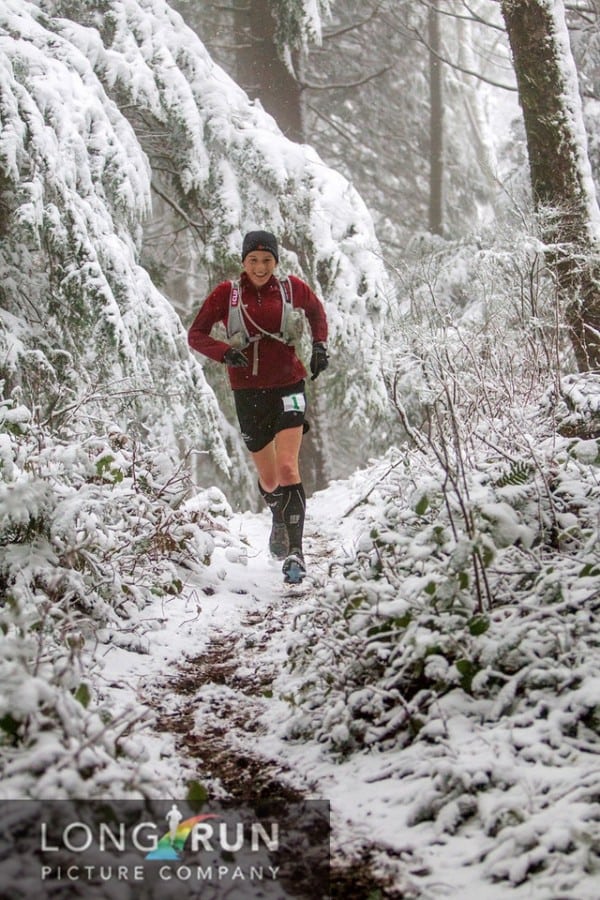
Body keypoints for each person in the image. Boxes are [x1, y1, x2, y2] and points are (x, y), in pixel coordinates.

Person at [188, 230, 329, 584]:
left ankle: (296, 553)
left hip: (290, 385)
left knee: (287, 467)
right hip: (248, 392)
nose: (261, 267)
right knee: (269, 479)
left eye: (267, 260)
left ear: (276, 262)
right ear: (243, 262)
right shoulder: (227, 294)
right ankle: (279, 520)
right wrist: (224, 352)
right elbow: (197, 334)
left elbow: (315, 311)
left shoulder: (290, 288)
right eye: (254, 260)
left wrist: (320, 346)